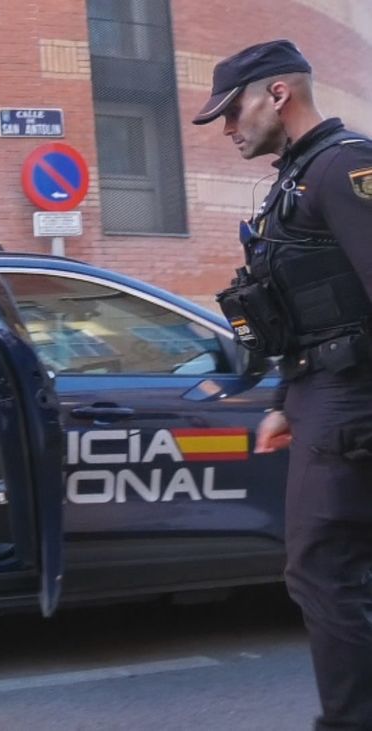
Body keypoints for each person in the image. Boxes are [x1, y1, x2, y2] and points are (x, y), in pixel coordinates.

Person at [193, 39, 372, 730]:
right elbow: (306, 314)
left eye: (231, 113)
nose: (227, 130)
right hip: (321, 395)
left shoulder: (343, 167)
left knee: (323, 572)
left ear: (277, 94)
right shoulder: (297, 177)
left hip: (351, 400)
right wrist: (283, 402)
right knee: (331, 572)